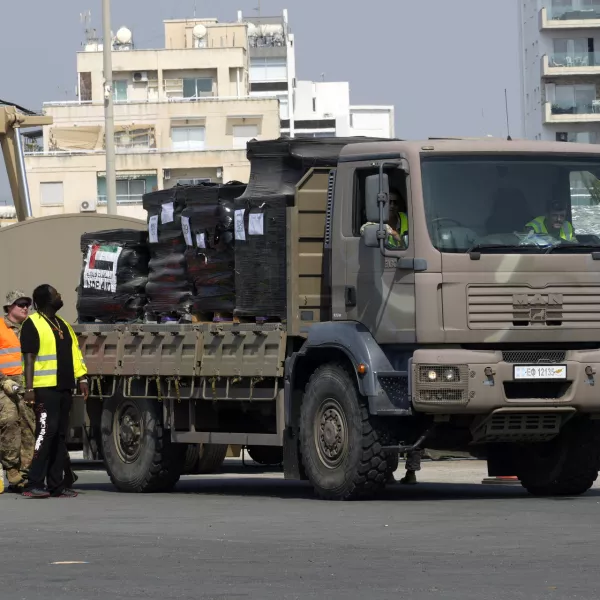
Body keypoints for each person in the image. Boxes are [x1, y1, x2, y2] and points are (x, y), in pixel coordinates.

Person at [21, 285, 89, 499]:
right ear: (46, 300)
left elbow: (75, 354)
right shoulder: (32, 324)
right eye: (56, 294)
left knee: (60, 435)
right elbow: (29, 359)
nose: (60, 296)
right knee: (45, 433)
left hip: (64, 387)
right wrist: (29, 388)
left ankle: (56, 485)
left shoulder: (63, 325)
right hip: (43, 388)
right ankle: (33, 483)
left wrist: (82, 377)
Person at [0, 290, 36, 493]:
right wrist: (4, 381)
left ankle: (25, 472)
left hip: (27, 383)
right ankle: (11, 468)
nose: (25, 308)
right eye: (20, 304)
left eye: (27, 304)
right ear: (8, 307)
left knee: (29, 425)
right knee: (9, 421)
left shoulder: (30, 328)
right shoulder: (0, 327)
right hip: (4, 384)